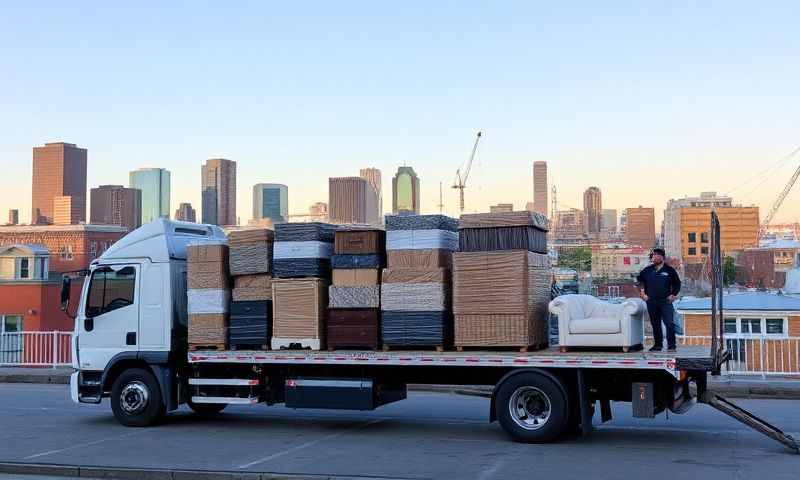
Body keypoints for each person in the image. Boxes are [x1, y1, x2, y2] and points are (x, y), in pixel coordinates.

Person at [636, 248, 681, 352]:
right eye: (653, 256)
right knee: (655, 324)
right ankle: (658, 345)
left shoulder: (669, 270)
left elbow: (677, 284)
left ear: (662, 258)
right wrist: (642, 293)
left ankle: (671, 345)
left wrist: (673, 294)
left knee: (669, 323)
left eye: (657, 255)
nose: (655, 257)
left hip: (665, 302)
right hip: (651, 301)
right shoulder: (647, 270)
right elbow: (639, 281)